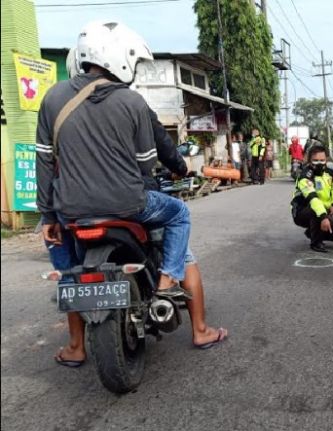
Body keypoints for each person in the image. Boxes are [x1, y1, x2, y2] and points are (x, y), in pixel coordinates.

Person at [37, 22, 225, 366]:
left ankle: (76, 345)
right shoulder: (132, 101)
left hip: (70, 211)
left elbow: (45, 161)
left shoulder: (52, 98)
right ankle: (167, 280)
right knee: (180, 214)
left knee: (70, 269)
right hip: (129, 205)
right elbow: (146, 164)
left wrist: (48, 215)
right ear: (121, 57)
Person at [292, 145, 333, 252]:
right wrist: (324, 217)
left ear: (326, 160)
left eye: (322, 160)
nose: (319, 163)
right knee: (316, 210)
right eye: (315, 160)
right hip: (303, 211)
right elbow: (313, 198)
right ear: (309, 161)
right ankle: (316, 242)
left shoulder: (330, 173)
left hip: (323, 210)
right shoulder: (305, 176)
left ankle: (312, 232)